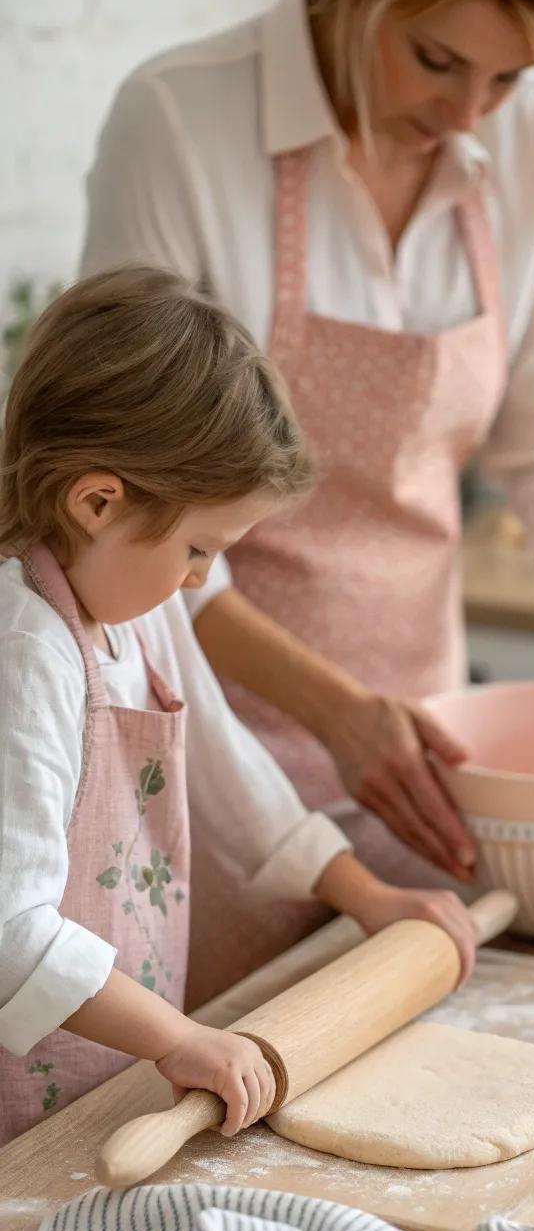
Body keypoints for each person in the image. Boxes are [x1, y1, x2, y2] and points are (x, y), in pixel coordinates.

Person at [82, 0, 534, 999]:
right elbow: (136, 511)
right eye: (436, 61)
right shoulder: (181, 121)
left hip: (428, 754)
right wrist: (337, 711)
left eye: (506, 78)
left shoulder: (529, 129)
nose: (467, 115)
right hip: (208, 748)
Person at [0, 267, 476, 1144]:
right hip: (18, 1113)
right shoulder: (27, 657)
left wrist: (364, 894)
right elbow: (10, 930)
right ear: (99, 500)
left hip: (103, 1089)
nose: (201, 580)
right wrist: (178, 1036)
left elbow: (231, 772)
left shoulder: (141, 613)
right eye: (197, 547)